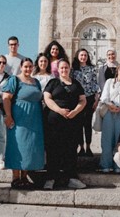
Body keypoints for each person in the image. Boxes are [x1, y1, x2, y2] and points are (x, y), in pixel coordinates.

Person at [43, 58, 87, 190]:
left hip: (72, 121)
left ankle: (72, 178)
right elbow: (47, 98)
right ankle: (51, 178)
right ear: (58, 69)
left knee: (71, 149)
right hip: (54, 121)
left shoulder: (76, 84)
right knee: (53, 149)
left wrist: (75, 111)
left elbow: (82, 100)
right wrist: (59, 110)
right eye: (61, 68)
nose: (64, 70)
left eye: (66, 68)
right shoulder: (53, 82)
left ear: (69, 69)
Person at [2, 57, 44, 189]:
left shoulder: (36, 82)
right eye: (26, 66)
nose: (28, 69)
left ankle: (24, 176)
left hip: (34, 118)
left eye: (30, 66)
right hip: (18, 118)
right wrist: (8, 116)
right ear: (21, 67)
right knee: (17, 145)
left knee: (29, 146)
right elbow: (6, 98)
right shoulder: (14, 80)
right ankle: (15, 177)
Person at [100, 63, 120, 172]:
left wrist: (119, 107)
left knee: (119, 140)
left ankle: (118, 165)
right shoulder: (109, 82)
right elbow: (104, 97)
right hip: (109, 112)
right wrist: (111, 106)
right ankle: (106, 165)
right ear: (117, 70)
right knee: (107, 140)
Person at [71, 48, 100, 157]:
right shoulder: (73, 70)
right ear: (78, 56)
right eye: (81, 55)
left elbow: (95, 83)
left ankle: (88, 147)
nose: (83, 57)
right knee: (78, 124)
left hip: (89, 98)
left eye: (85, 55)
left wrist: (97, 99)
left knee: (87, 123)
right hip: (77, 99)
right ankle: (81, 147)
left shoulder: (92, 69)